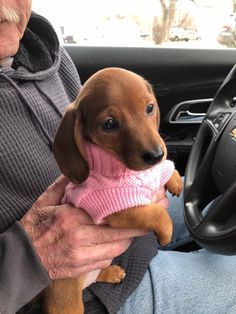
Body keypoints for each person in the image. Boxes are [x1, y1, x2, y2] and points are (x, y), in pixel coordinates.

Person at [1, 1, 236, 314]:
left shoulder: (38, 45)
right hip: (61, 286)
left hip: (122, 216)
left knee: (218, 206)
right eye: (110, 125)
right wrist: (27, 259)